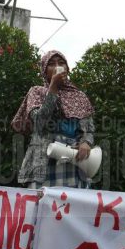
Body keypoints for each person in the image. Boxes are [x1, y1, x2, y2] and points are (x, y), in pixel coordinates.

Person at [12, 50, 95, 189]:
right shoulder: (36, 92)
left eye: (61, 63)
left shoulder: (80, 97)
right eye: (51, 64)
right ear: (45, 70)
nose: (57, 66)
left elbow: (89, 129)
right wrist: (53, 89)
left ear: (67, 69)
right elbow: (39, 122)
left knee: (72, 208)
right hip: (43, 163)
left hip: (74, 163)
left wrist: (86, 142)